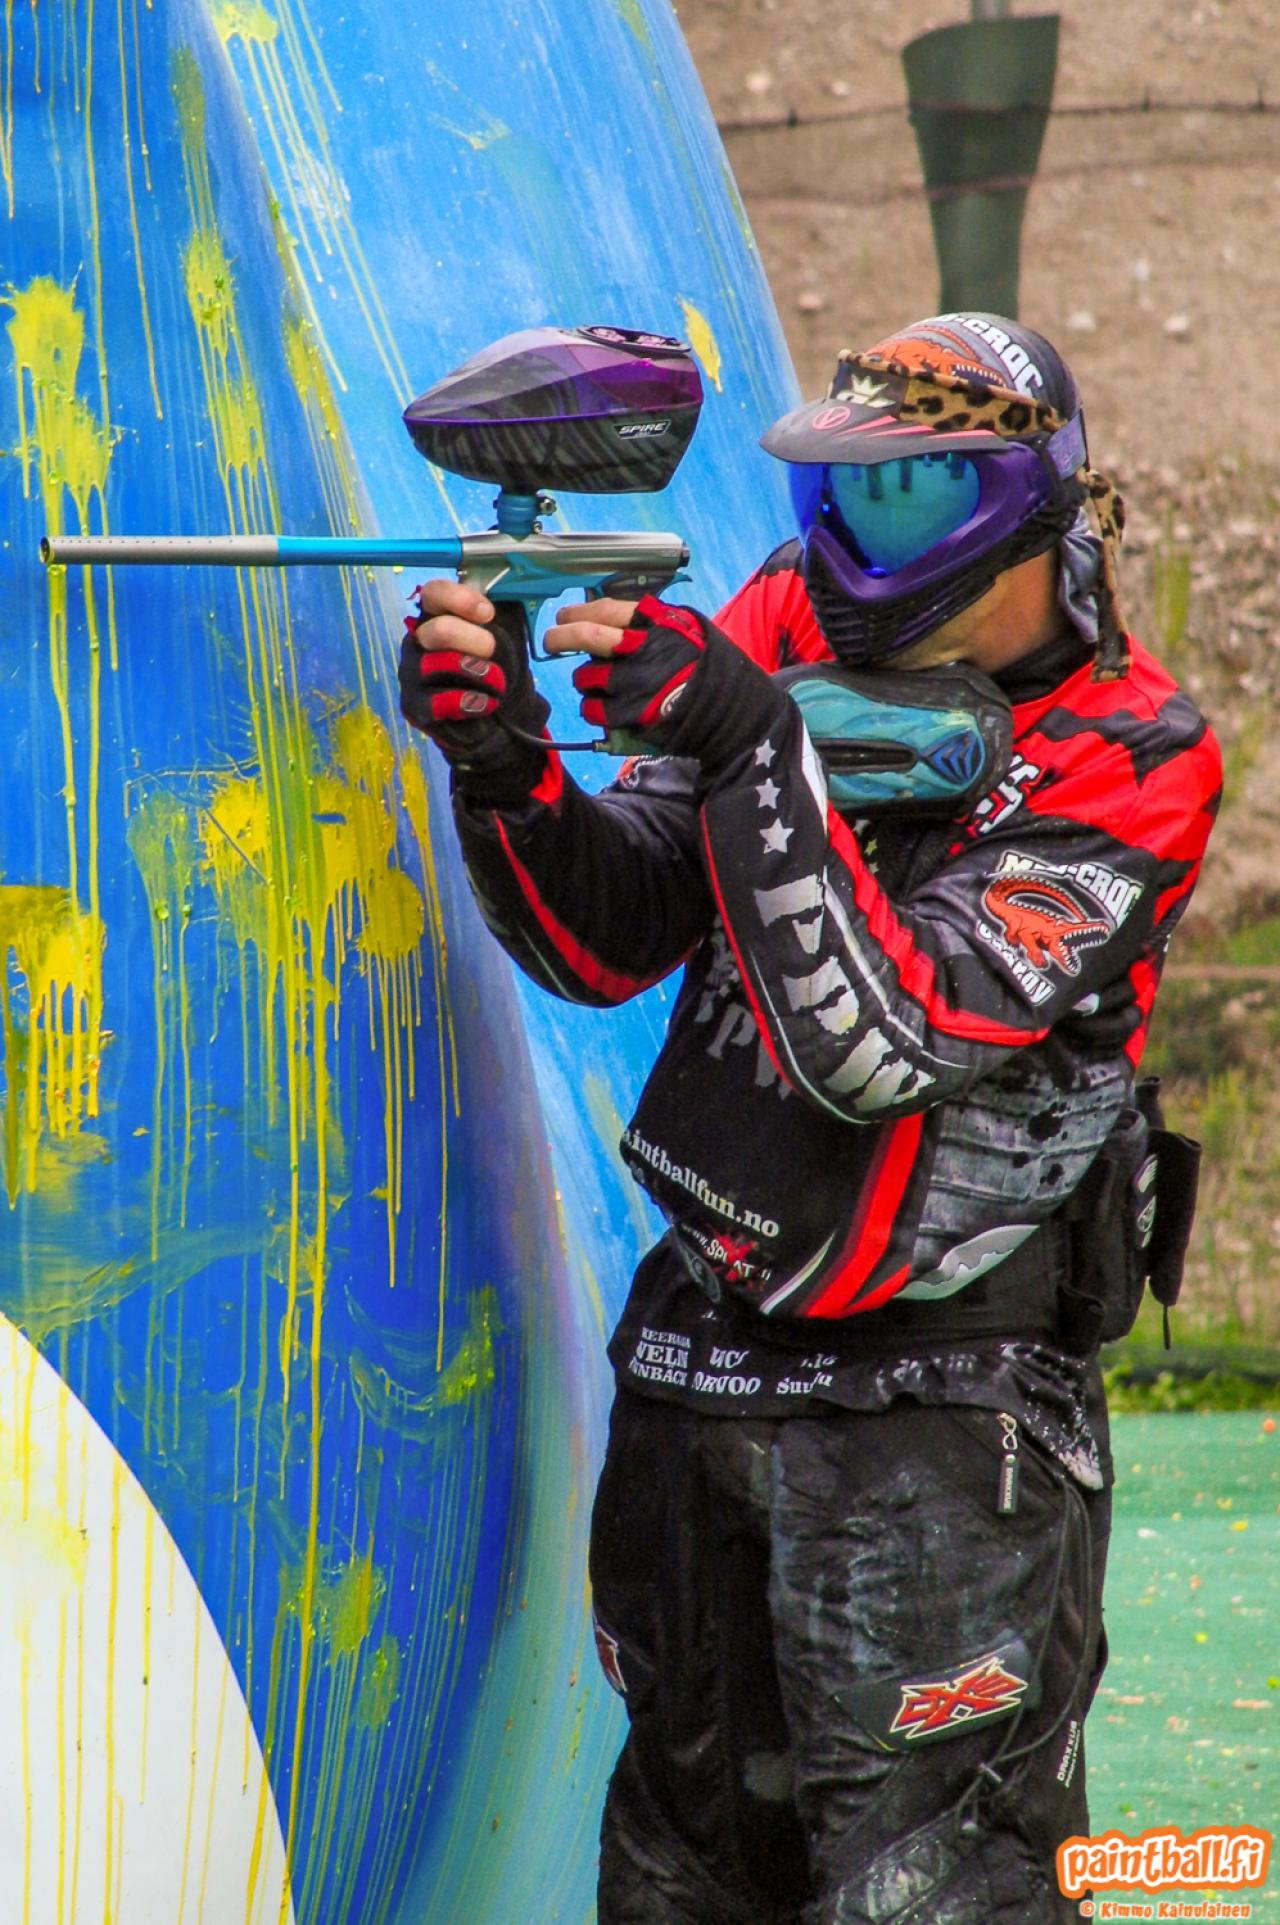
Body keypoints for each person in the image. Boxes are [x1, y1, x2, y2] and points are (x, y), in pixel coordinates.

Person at [399, 312, 1222, 1924]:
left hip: (946, 1422)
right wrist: (503, 765)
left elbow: (890, 1042)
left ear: (1026, 508)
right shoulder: (785, 617)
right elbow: (611, 934)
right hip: (703, 1377)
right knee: (680, 1876)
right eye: (837, 492)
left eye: (910, 495)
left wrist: (746, 738)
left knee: (937, 1889)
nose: (853, 541)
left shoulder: (1134, 752)